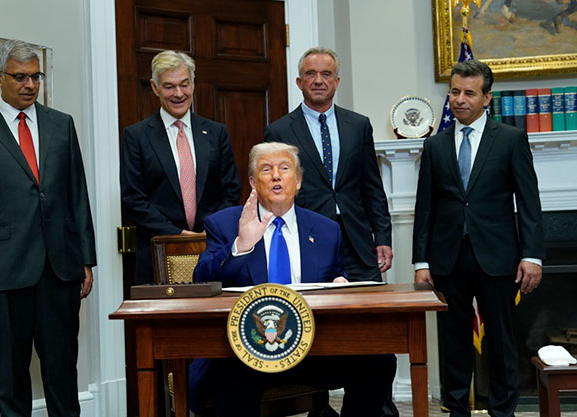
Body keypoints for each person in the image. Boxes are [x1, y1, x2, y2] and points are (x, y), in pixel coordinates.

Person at [190, 142, 397, 417]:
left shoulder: (326, 230)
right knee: (228, 373)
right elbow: (201, 281)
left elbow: (336, 277)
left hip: (313, 348)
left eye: (284, 168)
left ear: (298, 181)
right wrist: (240, 246)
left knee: (379, 360)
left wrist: (339, 285)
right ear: (253, 182)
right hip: (248, 352)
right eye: (266, 169)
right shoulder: (225, 224)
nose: (276, 175)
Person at [0, 39, 96, 416]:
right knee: (12, 378)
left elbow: (77, 195)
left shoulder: (61, 124)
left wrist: (86, 259)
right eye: (20, 77)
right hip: (3, 273)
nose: (30, 85)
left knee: (62, 374)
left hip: (59, 270)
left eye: (36, 76)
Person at [413, 59, 545, 417]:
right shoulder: (435, 146)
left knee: (501, 342)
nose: (459, 99)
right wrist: (421, 261)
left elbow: (529, 202)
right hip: (448, 259)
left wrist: (532, 255)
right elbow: (425, 207)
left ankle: (503, 412)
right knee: (453, 342)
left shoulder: (511, 139)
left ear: (487, 97)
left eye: (469, 93)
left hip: (499, 259)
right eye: (455, 92)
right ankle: (456, 410)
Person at [264, 47, 392, 283]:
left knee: (366, 303)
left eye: (326, 74)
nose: (318, 81)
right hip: (308, 239)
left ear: (336, 81)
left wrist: (383, 237)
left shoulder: (359, 125)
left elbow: (372, 187)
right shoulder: (280, 131)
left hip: (358, 243)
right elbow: (274, 192)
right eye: (310, 74)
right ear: (299, 82)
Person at [120, 50, 240, 284]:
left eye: (184, 84)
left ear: (193, 84)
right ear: (155, 87)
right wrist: (178, 235)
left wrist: (209, 231)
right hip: (157, 254)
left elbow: (230, 191)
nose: (178, 93)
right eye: (169, 86)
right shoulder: (137, 136)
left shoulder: (216, 133)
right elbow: (134, 199)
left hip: (212, 249)